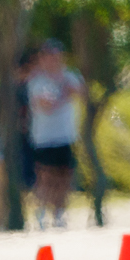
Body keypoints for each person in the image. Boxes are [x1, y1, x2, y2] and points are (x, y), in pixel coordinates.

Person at [25, 39, 84, 230]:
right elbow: (45, 104)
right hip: (44, 137)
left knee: (64, 175)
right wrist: (64, 94)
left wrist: (64, 92)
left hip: (65, 134)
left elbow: (80, 92)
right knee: (45, 176)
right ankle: (41, 211)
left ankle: (59, 213)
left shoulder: (69, 75)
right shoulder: (37, 80)